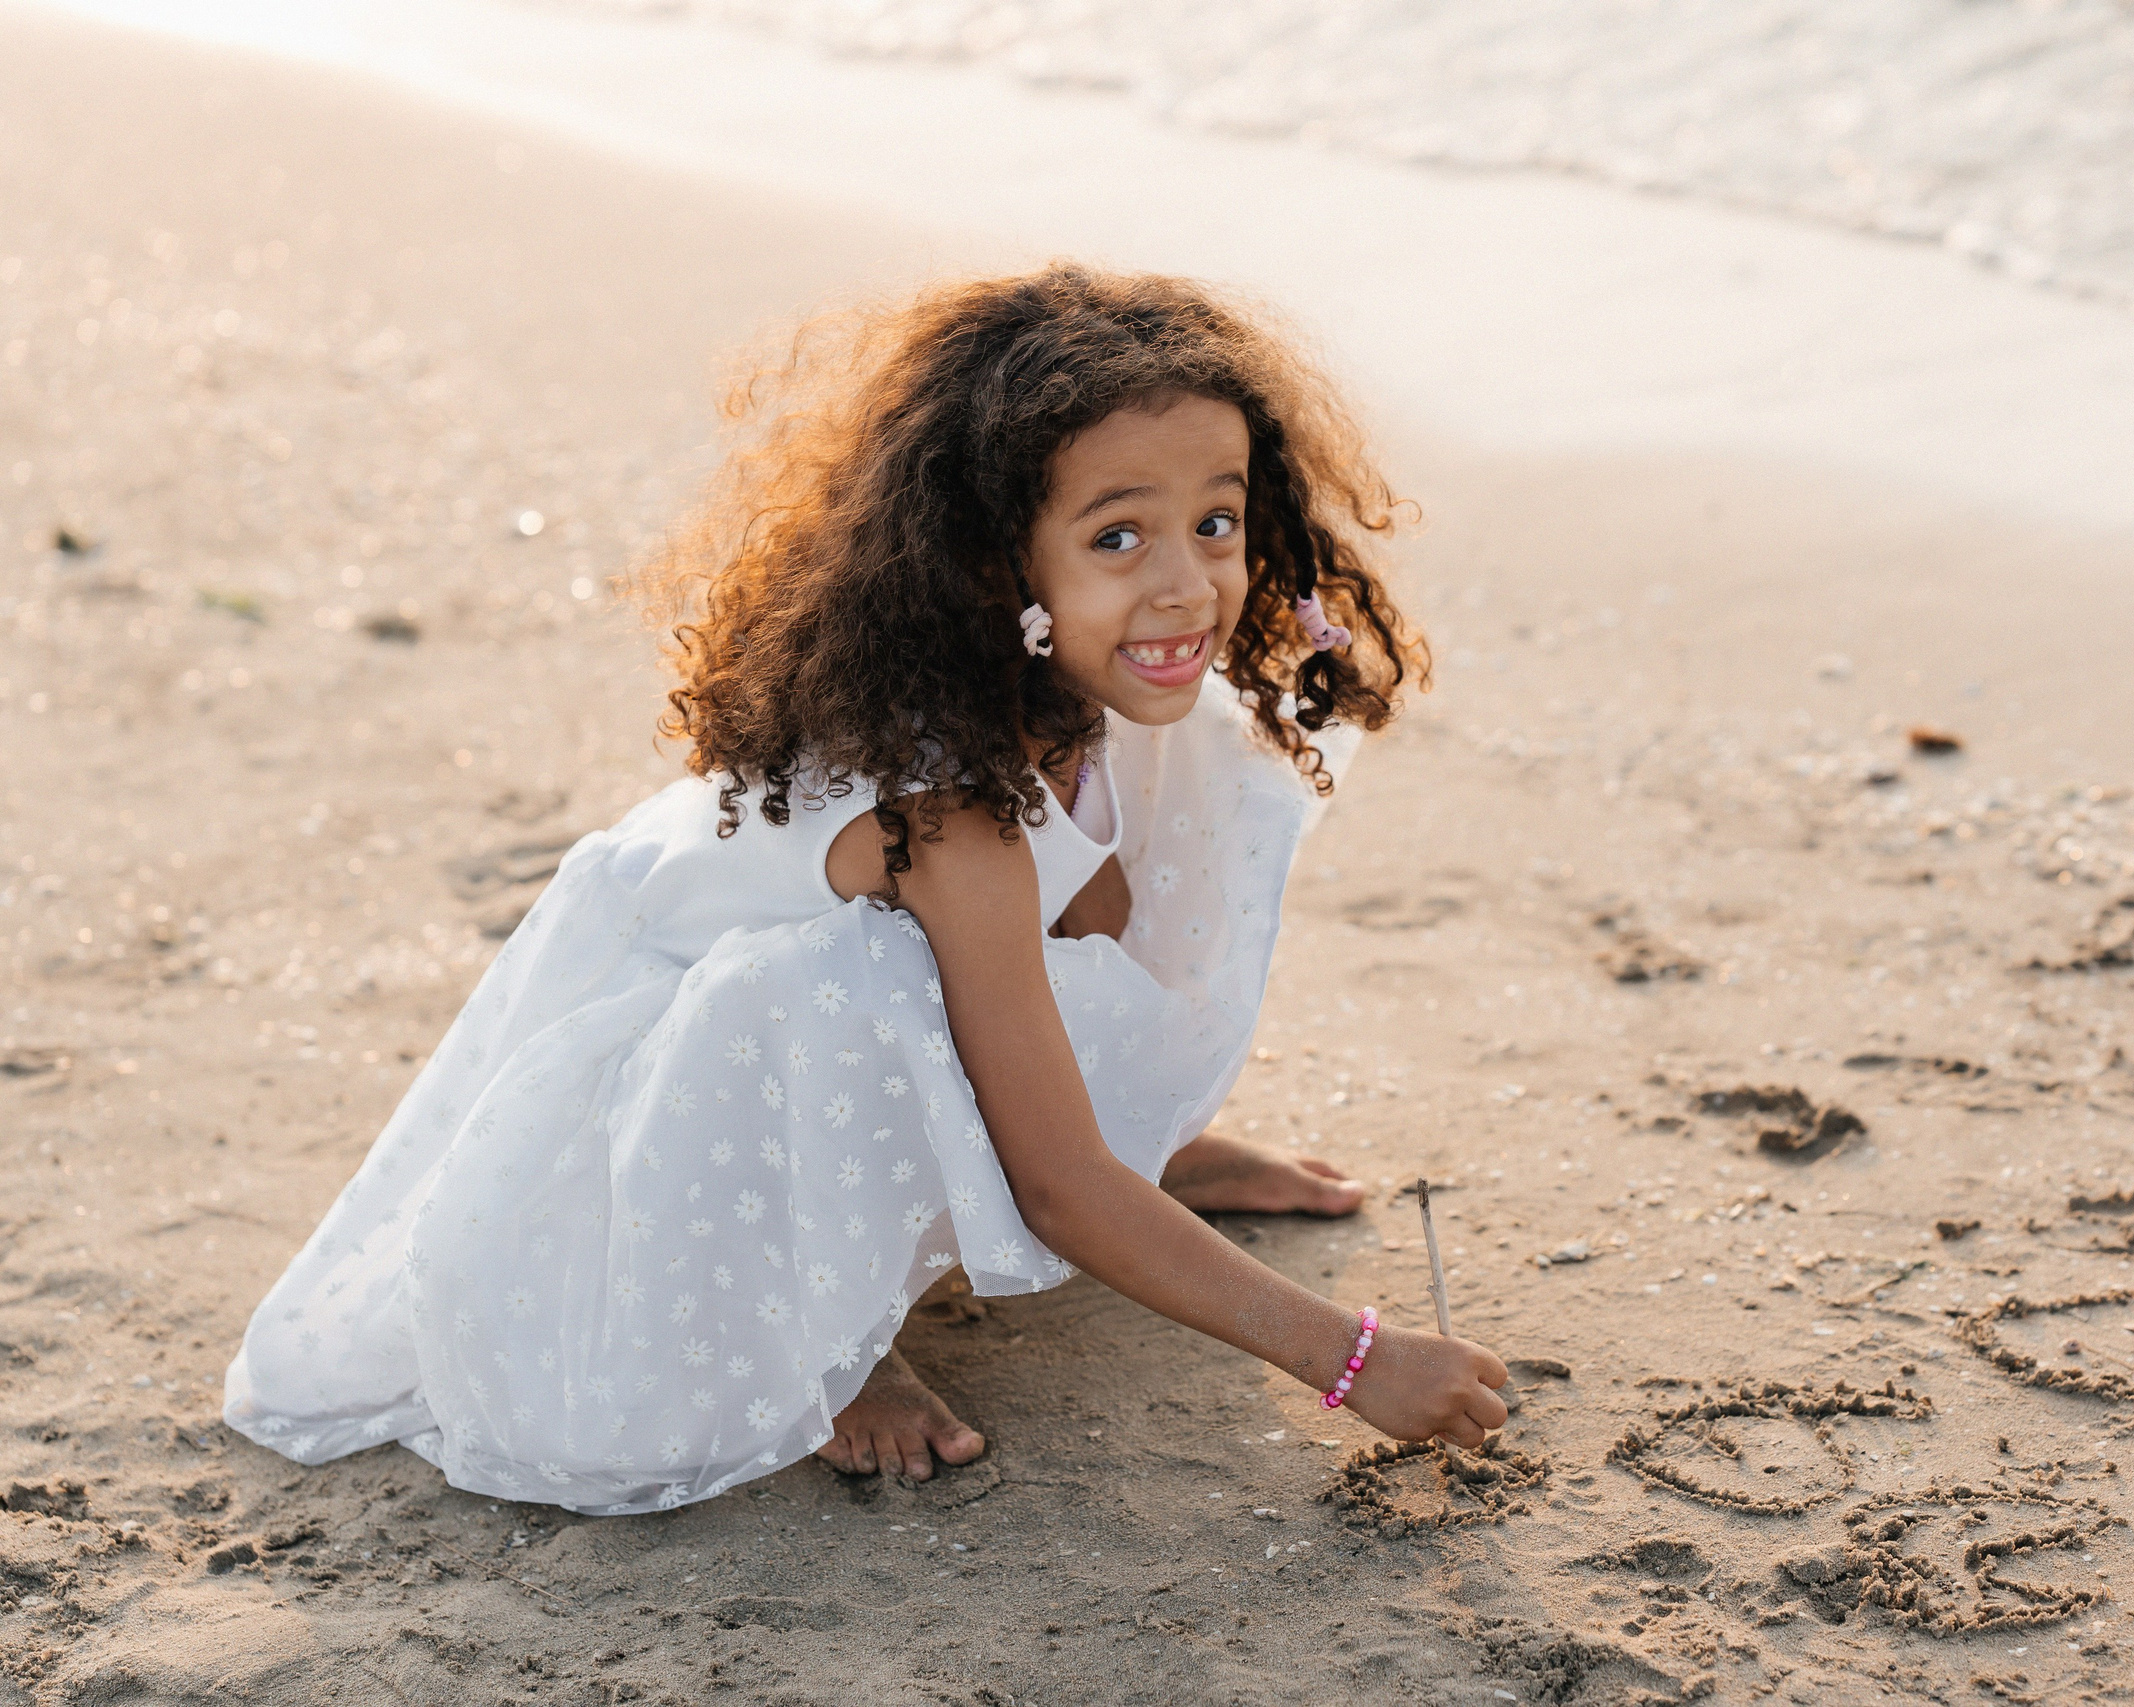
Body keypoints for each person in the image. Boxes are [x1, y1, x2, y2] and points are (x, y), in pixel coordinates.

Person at [224, 264, 1510, 1515]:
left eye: (1214, 523)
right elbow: (1056, 1182)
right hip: (667, 1122)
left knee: (1170, 823)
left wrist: (1139, 1133)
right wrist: (1353, 1359)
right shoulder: (942, 814)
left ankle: (1150, 1150)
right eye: (1116, 535)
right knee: (854, 983)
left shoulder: (1097, 697)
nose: (1186, 583)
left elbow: (1097, 936)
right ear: (997, 568)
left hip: (837, 1033)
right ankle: (823, 1338)